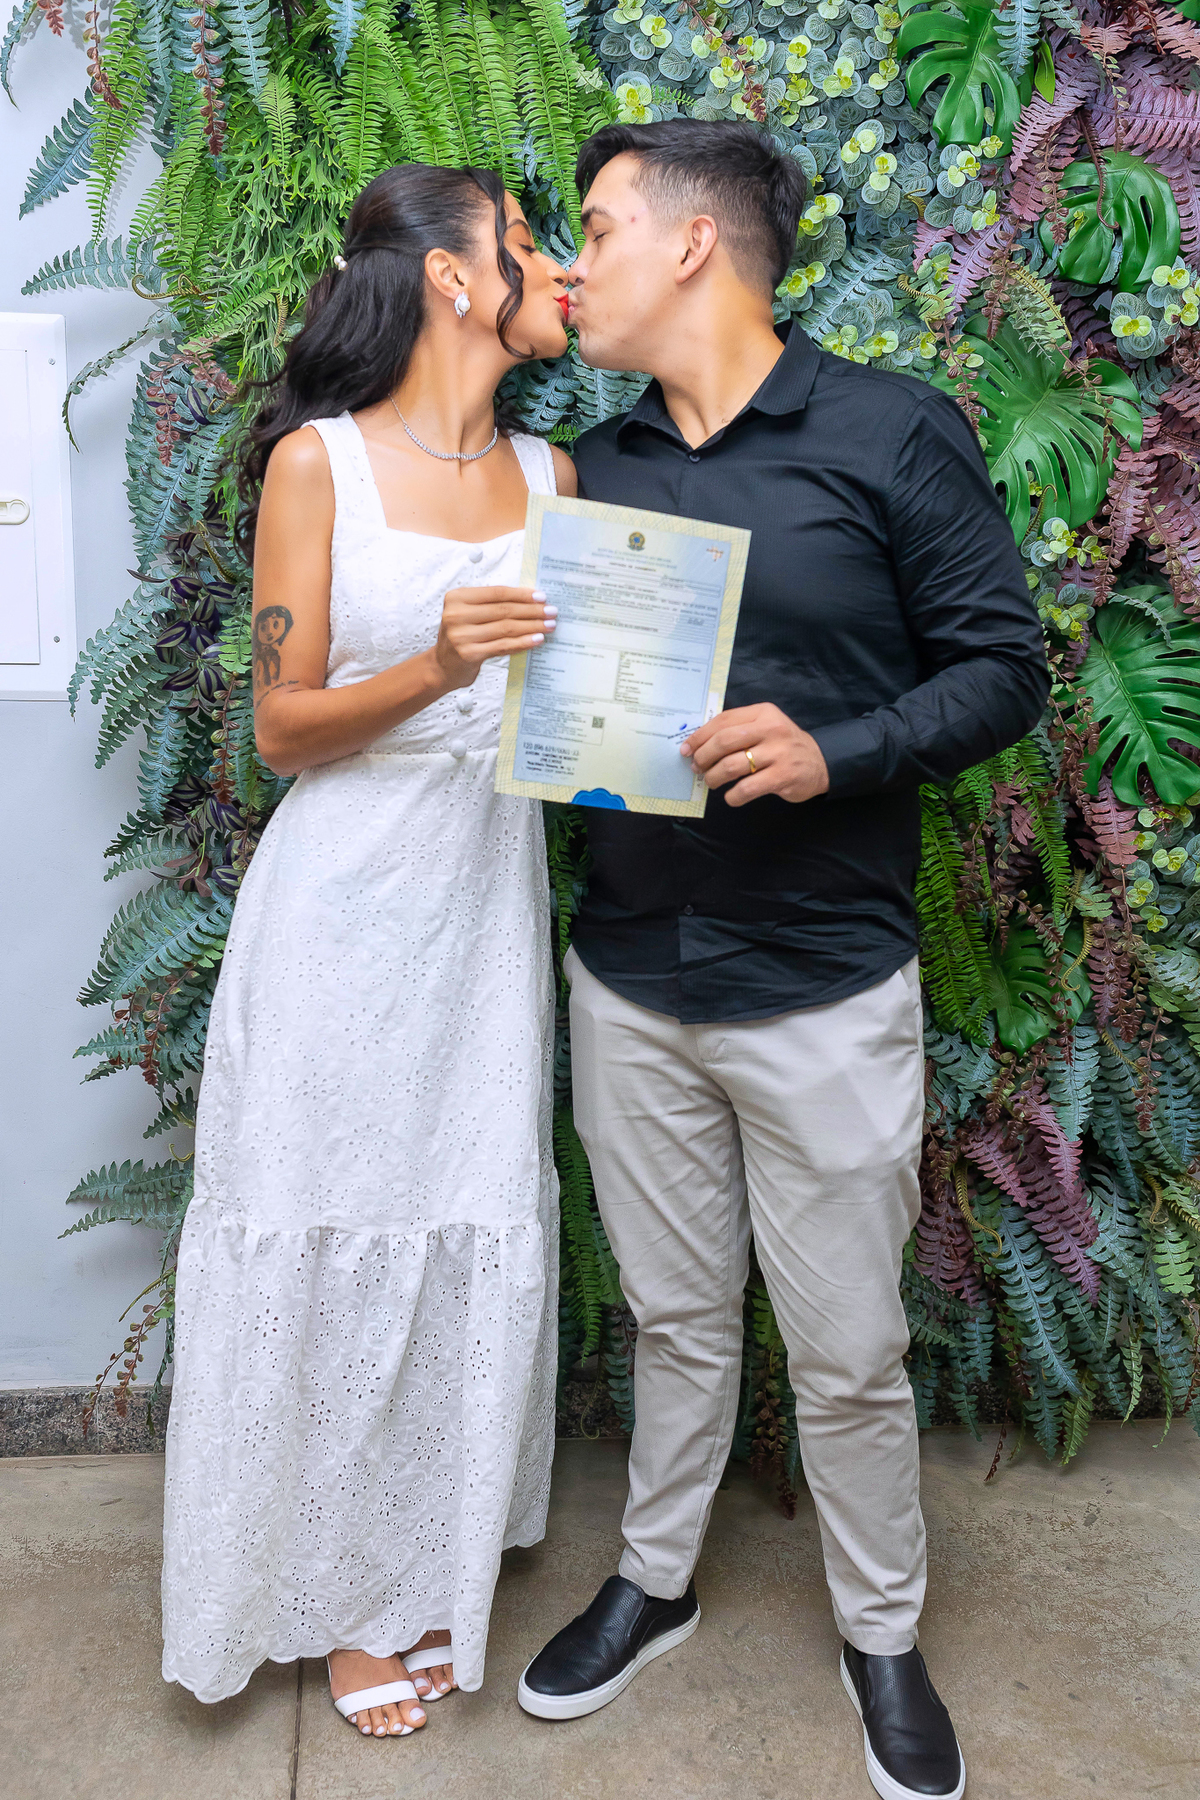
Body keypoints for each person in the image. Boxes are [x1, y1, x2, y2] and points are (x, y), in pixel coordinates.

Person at [517, 121, 1050, 1800]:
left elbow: (1006, 667)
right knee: (673, 1320)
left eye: (596, 227)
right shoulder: (587, 468)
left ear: (692, 243)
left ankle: (881, 1633)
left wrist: (841, 749)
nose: (573, 261)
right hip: (628, 972)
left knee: (848, 1348)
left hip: (822, 981)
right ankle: (655, 1580)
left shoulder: (890, 430)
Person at [160, 163, 574, 1742]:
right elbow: (281, 730)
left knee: (459, 1215)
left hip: (484, 909)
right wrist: (437, 664)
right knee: (332, 1230)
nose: (550, 265)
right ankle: (338, 1603)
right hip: (340, 915)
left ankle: (424, 1562)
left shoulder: (552, 472)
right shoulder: (316, 464)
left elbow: (582, 706)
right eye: (524, 242)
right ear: (452, 279)